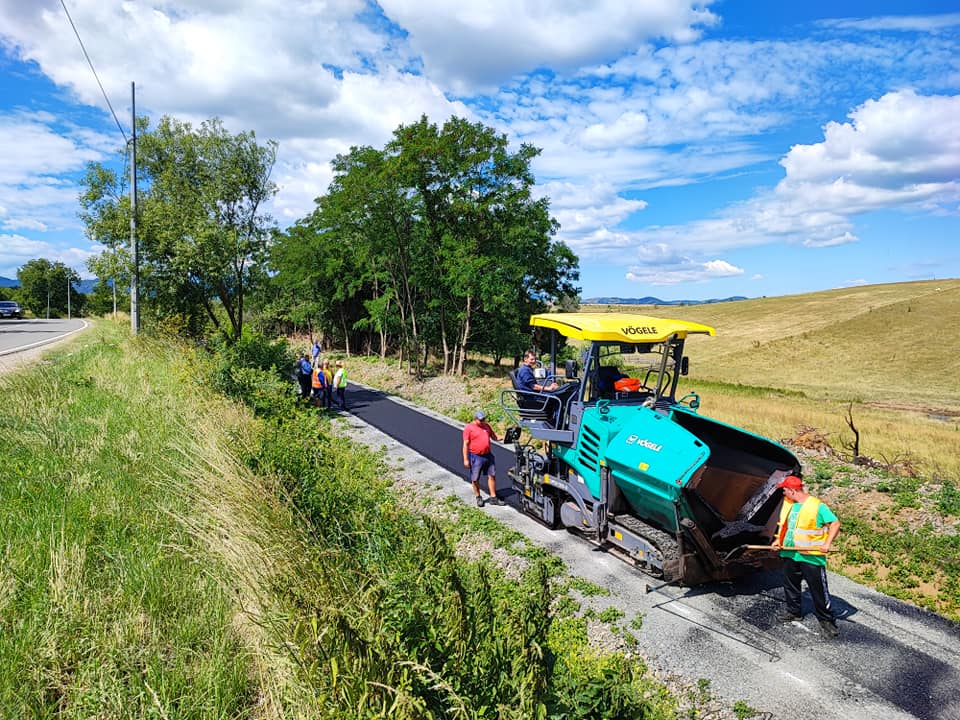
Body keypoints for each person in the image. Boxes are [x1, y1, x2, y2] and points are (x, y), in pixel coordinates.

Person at [772, 475, 842, 638]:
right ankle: (793, 612)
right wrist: (778, 540)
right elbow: (786, 527)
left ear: (792, 490)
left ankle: (826, 620)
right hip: (790, 552)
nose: (783, 492)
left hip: (811, 556)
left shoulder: (817, 506)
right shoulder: (790, 505)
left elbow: (835, 523)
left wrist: (827, 543)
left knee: (818, 590)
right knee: (791, 585)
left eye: (784, 490)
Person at [462, 410, 501, 507]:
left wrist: (507, 437)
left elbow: (494, 437)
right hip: (476, 456)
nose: (483, 421)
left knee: (492, 475)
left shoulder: (487, 426)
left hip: (488, 455)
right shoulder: (469, 428)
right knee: (475, 478)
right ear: (475, 419)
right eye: (481, 420)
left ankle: (493, 497)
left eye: (484, 419)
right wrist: (466, 459)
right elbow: (465, 445)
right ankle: (478, 497)